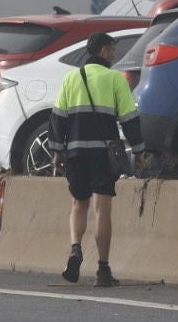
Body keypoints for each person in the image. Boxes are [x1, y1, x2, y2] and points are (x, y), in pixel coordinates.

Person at [50, 32, 144, 288]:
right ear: (103, 50)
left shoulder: (71, 78)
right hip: (104, 154)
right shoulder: (115, 79)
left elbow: (58, 118)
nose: (114, 55)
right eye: (113, 50)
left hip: (76, 153)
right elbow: (129, 118)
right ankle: (103, 270)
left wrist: (58, 151)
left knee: (78, 204)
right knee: (102, 209)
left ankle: (75, 248)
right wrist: (139, 149)